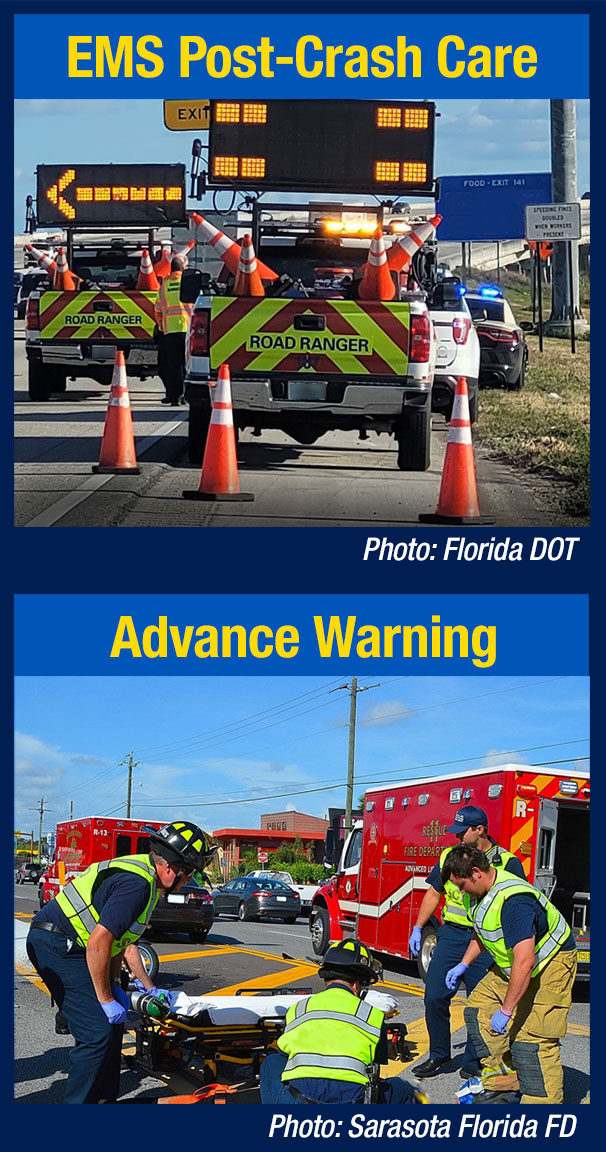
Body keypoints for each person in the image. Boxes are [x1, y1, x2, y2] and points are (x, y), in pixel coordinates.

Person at [26, 821, 218, 1104]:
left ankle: (104, 1102)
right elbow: (99, 942)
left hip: (74, 944)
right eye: (188, 874)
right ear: (171, 868)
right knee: (97, 1034)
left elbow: (117, 943)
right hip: (56, 944)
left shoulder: (147, 879)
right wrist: (105, 999)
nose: (188, 881)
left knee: (113, 1028)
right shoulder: (137, 885)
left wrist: (117, 984)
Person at [442, 844, 577, 1104]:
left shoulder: (514, 901)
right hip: (514, 963)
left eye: (461, 885)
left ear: (476, 872)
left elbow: (525, 962)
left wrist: (506, 1010)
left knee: (532, 1042)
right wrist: (464, 964)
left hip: (551, 964)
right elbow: (483, 931)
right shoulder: (479, 894)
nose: (460, 892)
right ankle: (505, 1079)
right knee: (478, 1011)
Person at [408, 805, 525, 1079]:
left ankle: (474, 1060)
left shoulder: (508, 863)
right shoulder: (450, 855)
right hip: (451, 934)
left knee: (478, 1003)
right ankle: (439, 1055)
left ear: (480, 830)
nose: (457, 836)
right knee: (435, 995)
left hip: (485, 940)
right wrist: (418, 927)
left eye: (463, 831)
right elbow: (434, 893)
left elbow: (517, 905)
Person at [260, 939, 424, 1106]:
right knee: (403, 1089)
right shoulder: (373, 1016)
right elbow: (374, 1069)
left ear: (327, 979)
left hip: (300, 1102)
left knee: (271, 1063)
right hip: (352, 1103)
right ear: (356, 984)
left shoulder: (298, 1009)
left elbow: (285, 1055)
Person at [154, 255, 193, 406]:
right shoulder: (189, 283)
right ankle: (185, 395)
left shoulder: (165, 285)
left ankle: (174, 396)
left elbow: (157, 310)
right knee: (187, 365)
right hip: (189, 331)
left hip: (170, 331)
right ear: (184, 268)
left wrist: (162, 327)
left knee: (172, 366)